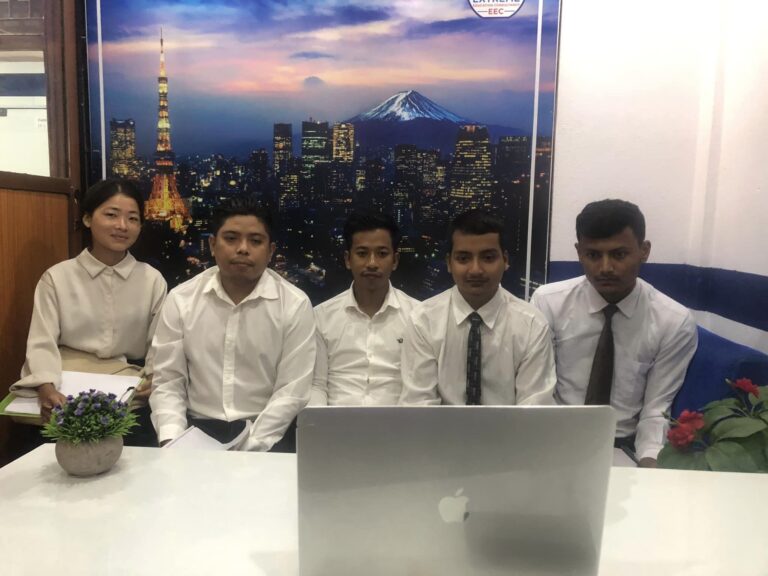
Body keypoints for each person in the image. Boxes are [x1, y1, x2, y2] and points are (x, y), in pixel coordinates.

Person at [530, 199, 698, 467]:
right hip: (554, 439)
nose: (605, 267)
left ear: (644, 251)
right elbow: (539, 389)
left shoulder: (673, 321)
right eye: (593, 255)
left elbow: (656, 411)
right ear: (579, 252)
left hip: (621, 446)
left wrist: (650, 467)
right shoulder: (548, 302)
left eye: (619, 254)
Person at [149, 199, 315, 452]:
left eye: (255, 241)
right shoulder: (181, 299)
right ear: (212, 245)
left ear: (270, 251)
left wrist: (250, 448)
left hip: (267, 433)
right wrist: (173, 441)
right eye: (231, 238)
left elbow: (292, 391)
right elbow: (168, 381)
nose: (243, 249)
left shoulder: (294, 304)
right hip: (194, 428)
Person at [11, 179, 167, 435]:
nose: (122, 226)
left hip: (126, 387)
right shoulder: (57, 277)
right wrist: (46, 387)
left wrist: (154, 378)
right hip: (64, 383)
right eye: (111, 215)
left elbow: (160, 344)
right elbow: (41, 342)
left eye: (132, 218)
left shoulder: (152, 280)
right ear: (87, 219)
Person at [399, 209, 556, 406]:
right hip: (438, 427)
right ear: (449, 263)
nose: (475, 270)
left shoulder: (532, 324)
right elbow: (419, 404)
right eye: (463, 259)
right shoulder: (424, 320)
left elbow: (534, 408)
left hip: (512, 427)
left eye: (488, 258)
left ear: (505, 260)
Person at [311, 210, 418, 406]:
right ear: (347, 259)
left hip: (397, 422)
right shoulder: (321, 316)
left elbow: (418, 388)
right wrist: (321, 421)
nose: (372, 263)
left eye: (382, 254)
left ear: (395, 260)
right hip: (336, 421)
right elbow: (317, 385)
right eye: (362, 253)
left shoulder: (417, 316)